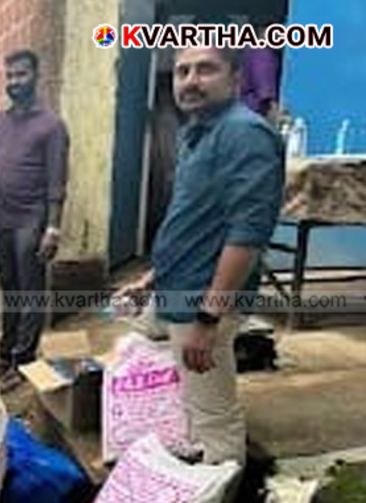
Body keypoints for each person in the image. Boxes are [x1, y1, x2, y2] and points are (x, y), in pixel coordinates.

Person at [114, 45, 284, 467]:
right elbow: (194, 222)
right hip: (177, 289)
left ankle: (217, 501)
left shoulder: (244, 133)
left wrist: (209, 320)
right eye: (182, 71)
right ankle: (185, 439)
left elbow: (246, 234)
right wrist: (152, 278)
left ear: (235, 79)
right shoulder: (198, 132)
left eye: (205, 69)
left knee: (215, 418)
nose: (190, 80)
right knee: (132, 334)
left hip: (202, 301)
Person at [0, 49, 70, 369]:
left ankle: (25, 359)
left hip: (30, 221)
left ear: (35, 76)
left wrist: (52, 228)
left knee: (31, 292)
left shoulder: (51, 126)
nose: (14, 82)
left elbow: (57, 181)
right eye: (10, 75)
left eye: (21, 74)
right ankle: (7, 351)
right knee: (8, 286)